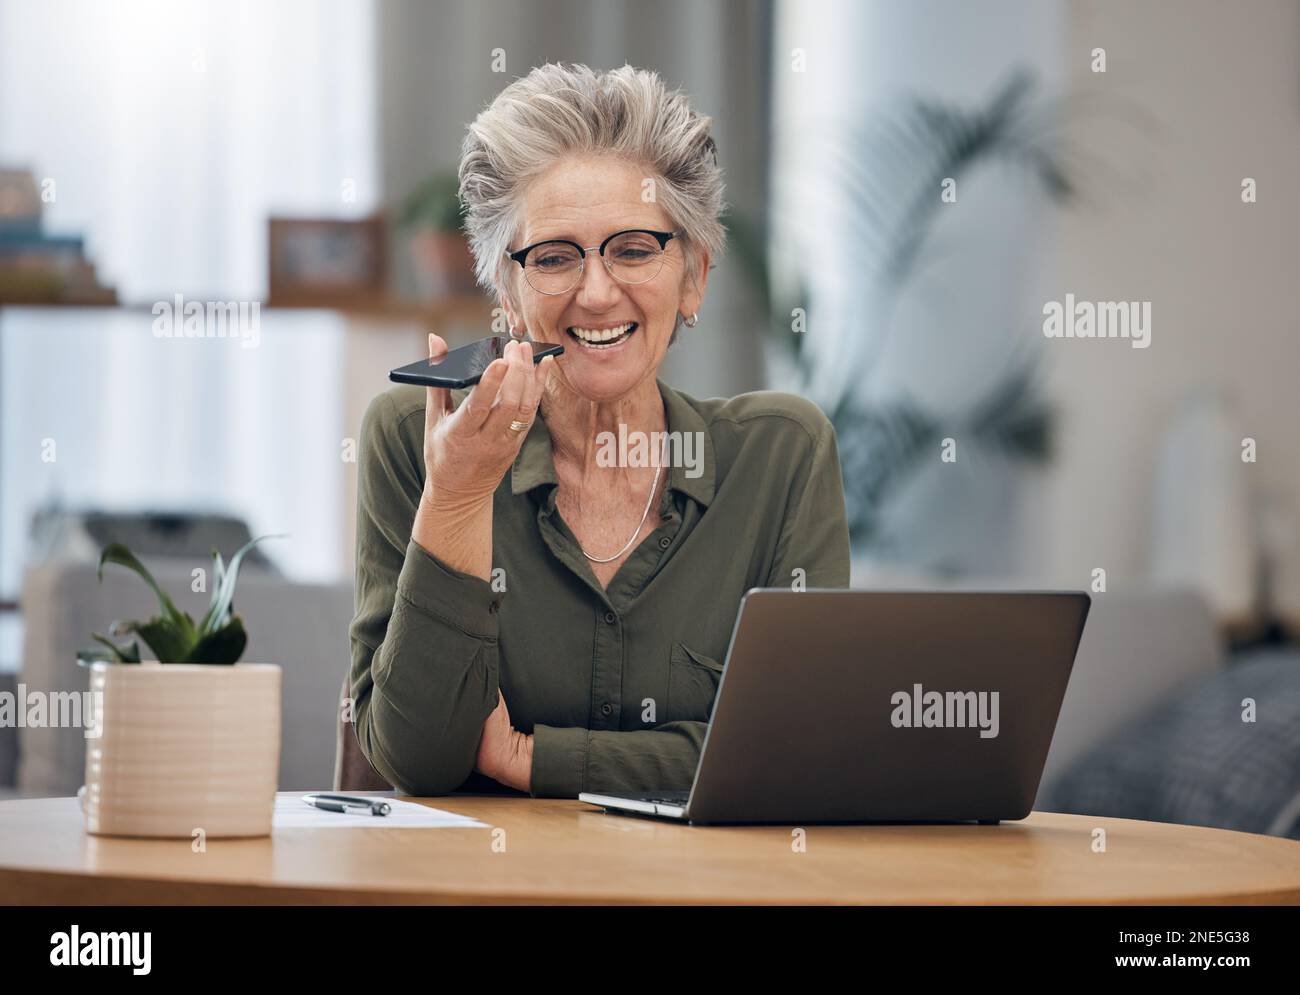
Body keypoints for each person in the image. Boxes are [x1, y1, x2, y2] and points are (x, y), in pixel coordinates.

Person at [349, 62, 849, 797]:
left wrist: (531, 757)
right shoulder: (416, 439)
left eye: (635, 248)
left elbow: (801, 754)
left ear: (695, 277)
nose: (596, 291)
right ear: (509, 295)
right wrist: (456, 496)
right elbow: (418, 759)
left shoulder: (781, 456)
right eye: (553, 257)